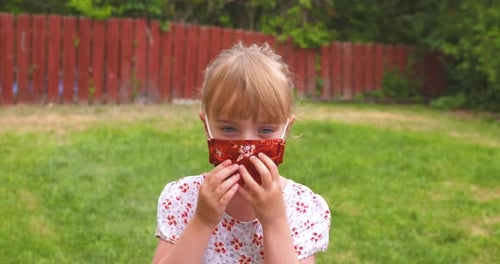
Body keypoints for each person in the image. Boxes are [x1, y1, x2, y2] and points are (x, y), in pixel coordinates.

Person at [153, 42, 331, 264]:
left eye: (265, 130)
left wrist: (274, 222)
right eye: (229, 129)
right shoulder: (183, 199)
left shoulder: (300, 206)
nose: (247, 144)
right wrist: (202, 221)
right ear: (206, 126)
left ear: (286, 130)